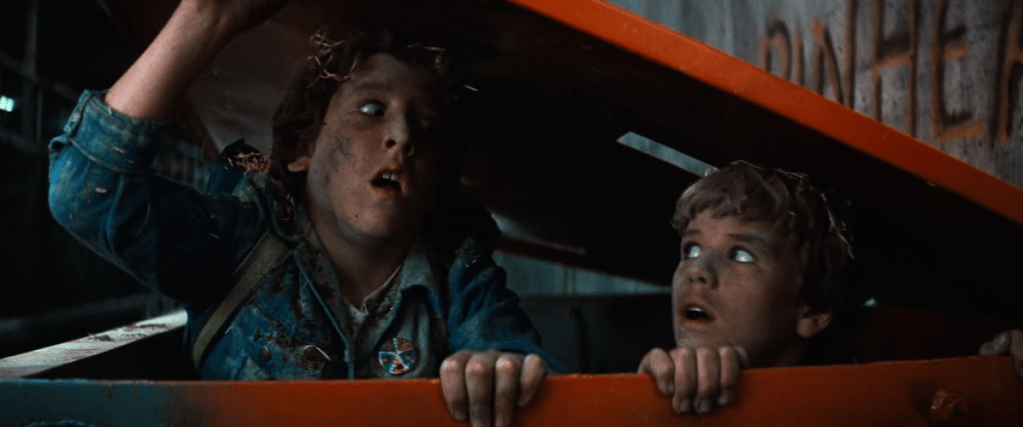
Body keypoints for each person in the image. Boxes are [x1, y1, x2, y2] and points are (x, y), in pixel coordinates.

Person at [47, 1, 564, 426]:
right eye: (372, 109)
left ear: (435, 187)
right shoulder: (238, 242)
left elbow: (519, 358)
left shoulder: (460, 276)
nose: (403, 137)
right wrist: (206, 17)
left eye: (427, 128)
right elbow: (88, 197)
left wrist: (504, 369)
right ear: (302, 149)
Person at [638, 161, 1023, 415]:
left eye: (741, 255)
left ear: (813, 310)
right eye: (691, 249)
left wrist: (1010, 370)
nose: (698, 271)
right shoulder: (655, 377)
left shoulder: (865, 409)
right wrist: (648, 401)